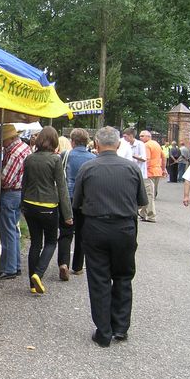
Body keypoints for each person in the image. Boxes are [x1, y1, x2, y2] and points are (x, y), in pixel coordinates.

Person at [73, 126, 148, 347]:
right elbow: (141, 201)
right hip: (124, 227)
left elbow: (77, 202)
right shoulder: (131, 168)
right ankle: (121, 327)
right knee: (123, 276)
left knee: (99, 279)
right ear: (118, 144)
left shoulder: (88, 168)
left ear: (96, 144)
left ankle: (104, 331)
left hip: (96, 226)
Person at [21, 126, 73, 294]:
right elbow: (62, 188)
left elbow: (24, 183)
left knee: (35, 243)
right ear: (54, 141)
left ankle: (32, 284)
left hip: (29, 204)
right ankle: (38, 274)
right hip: (48, 206)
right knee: (51, 242)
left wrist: (22, 205)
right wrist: (68, 214)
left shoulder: (29, 158)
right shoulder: (55, 160)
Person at [57, 128, 95, 279]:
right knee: (82, 233)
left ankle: (63, 263)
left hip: (67, 198)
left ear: (72, 142)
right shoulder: (93, 158)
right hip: (85, 200)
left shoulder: (65, 155)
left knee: (65, 232)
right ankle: (78, 266)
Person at [0, 124, 31, 281]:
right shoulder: (24, 148)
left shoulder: (14, 153)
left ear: (9, 139)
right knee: (14, 230)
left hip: (10, 194)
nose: (2, 144)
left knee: (8, 232)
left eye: (3, 140)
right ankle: (15, 265)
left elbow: (5, 180)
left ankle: (9, 269)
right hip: (20, 192)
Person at [124, 127, 154, 222]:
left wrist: (132, 155)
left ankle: (150, 215)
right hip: (130, 173)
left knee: (147, 194)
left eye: (125, 136)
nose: (124, 138)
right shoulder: (126, 144)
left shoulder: (140, 144)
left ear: (131, 136)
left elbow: (144, 158)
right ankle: (139, 213)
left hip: (141, 173)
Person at [140, 130, 167, 200]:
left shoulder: (146, 145)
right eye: (140, 136)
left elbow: (147, 159)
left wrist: (143, 170)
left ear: (148, 137)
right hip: (157, 170)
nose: (140, 138)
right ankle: (153, 198)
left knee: (149, 189)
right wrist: (163, 169)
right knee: (154, 188)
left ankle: (150, 202)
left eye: (142, 136)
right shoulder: (156, 144)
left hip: (150, 170)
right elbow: (164, 157)